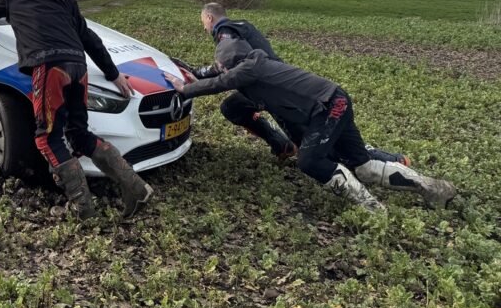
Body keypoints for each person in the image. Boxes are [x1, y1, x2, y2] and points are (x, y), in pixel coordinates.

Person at [0, 0, 152, 220]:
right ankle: (137, 188)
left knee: (47, 137)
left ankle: (81, 207)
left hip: (50, 68)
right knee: (80, 134)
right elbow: (89, 38)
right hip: (78, 66)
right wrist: (113, 74)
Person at [164, 39, 457, 212]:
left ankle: (371, 209)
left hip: (330, 106)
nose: (221, 70)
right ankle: (434, 188)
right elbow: (214, 75)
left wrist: (185, 89)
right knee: (363, 165)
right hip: (334, 101)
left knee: (310, 160)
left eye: (222, 66)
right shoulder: (251, 66)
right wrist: (183, 69)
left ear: (233, 64)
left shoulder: (252, 68)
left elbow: (221, 82)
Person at [172, 2, 409, 167]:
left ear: (209, 18)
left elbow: (229, 72)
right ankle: (281, 145)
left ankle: (390, 160)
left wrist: (191, 85)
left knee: (317, 144)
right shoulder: (241, 27)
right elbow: (223, 68)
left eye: (203, 22)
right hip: (271, 85)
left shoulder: (227, 38)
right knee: (232, 107)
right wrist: (195, 71)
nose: (204, 28)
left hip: (277, 92)